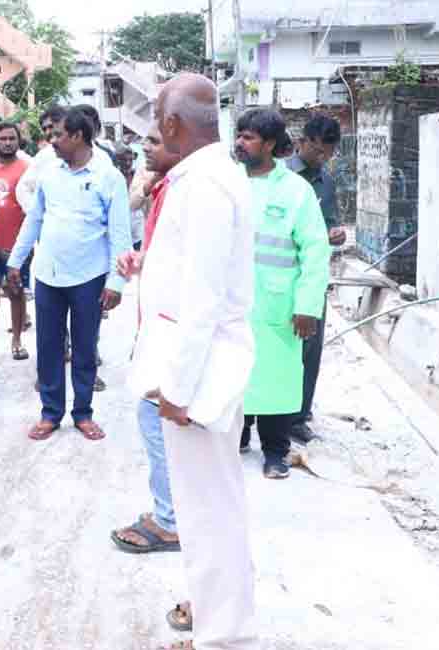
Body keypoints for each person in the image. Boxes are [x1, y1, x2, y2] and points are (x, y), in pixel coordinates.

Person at [124, 72, 258, 650]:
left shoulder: (203, 185)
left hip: (199, 377)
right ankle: (216, 618)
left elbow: (202, 299)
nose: (155, 130)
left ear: (173, 124)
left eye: (157, 119)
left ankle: (224, 636)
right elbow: (186, 276)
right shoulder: (206, 178)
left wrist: (174, 389)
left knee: (208, 513)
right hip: (198, 369)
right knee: (210, 507)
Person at [6, 106, 132, 442]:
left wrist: (116, 282)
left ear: (78, 136)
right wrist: (15, 262)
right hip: (47, 275)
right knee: (48, 347)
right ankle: (50, 413)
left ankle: (83, 413)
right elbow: (33, 220)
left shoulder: (109, 177)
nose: (52, 140)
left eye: (58, 134)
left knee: (85, 347)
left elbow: (120, 234)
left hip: (89, 276)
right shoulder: (49, 172)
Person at [234, 108, 332, 479]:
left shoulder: (295, 191)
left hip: (278, 305)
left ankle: (275, 452)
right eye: (239, 135)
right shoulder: (228, 184)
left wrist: (308, 306)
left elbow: (315, 251)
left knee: (277, 379)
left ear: (270, 144)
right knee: (233, 374)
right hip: (233, 304)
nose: (240, 143)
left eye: (249, 137)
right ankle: (236, 437)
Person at [109, 122, 183, 556]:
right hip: (158, 323)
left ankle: (171, 520)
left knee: (155, 419)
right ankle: (170, 512)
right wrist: (141, 261)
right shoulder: (164, 188)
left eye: (153, 142)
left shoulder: (184, 192)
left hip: (170, 330)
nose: (144, 150)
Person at [288, 114, 347, 443]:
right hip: (279, 275)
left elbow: (329, 223)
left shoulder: (326, 181)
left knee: (311, 346)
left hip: (313, 275)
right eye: (317, 150)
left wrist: (335, 233)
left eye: (328, 152)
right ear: (303, 142)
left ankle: (298, 416)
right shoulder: (280, 176)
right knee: (279, 346)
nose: (322, 157)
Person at [0, 122, 32, 361]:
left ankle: (17, 340)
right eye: (2, 138)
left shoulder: (28, 168)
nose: (7, 143)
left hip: (17, 244)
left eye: (12, 138)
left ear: (18, 140)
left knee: (16, 292)